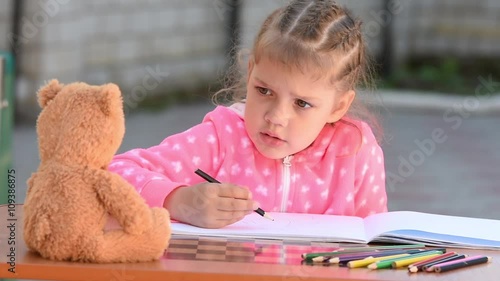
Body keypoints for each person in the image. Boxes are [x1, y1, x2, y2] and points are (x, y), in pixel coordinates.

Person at [109, 0, 387, 229]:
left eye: (302, 104)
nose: (276, 117)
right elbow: (114, 173)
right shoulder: (221, 138)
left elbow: (376, 239)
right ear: (251, 71)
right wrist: (179, 201)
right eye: (264, 91)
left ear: (338, 106)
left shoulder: (355, 150)